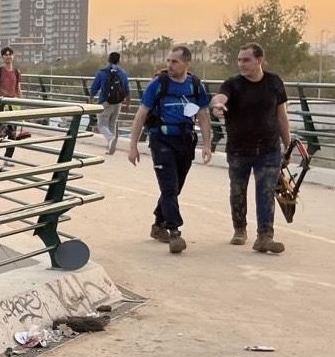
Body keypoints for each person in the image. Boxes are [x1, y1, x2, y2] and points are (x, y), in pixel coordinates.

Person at [127, 45, 212, 254]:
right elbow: (141, 114)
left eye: (175, 61)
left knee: (175, 187)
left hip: (185, 141)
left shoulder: (195, 85)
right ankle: (174, 231)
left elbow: (203, 115)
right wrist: (133, 146)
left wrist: (207, 144)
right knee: (168, 187)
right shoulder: (158, 84)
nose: (170, 65)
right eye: (169, 61)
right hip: (161, 140)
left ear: (186, 64)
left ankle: (158, 224)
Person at [210, 43, 293, 253]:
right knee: (238, 190)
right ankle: (239, 229)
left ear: (259, 60)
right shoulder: (233, 84)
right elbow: (220, 97)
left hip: (269, 148)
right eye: (239, 60)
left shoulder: (274, 82)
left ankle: (265, 236)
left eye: (246, 60)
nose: (241, 64)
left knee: (266, 192)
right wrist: (217, 105)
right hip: (239, 149)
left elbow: (281, 114)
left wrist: (288, 143)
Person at [90, 51, 130, 154]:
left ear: (109, 59)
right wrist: (127, 103)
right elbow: (126, 89)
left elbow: (95, 86)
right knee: (112, 123)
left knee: (101, 124)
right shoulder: (122, 73)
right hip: (118, 102)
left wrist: (91, 98)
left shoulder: (102, 72)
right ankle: (110, 147)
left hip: (105, 101)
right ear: (119, 60)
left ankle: (110, 139)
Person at [0, 47, 23, 158]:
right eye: (5, 54)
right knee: (0, 132)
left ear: (13, 56)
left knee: (12, 134)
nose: (8, 56)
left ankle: (8, 158)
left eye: (10, 54)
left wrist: (22, 103)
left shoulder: (17, 72)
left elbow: (18, 89)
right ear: (2, 57)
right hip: (1, 105)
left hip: (13, 105)